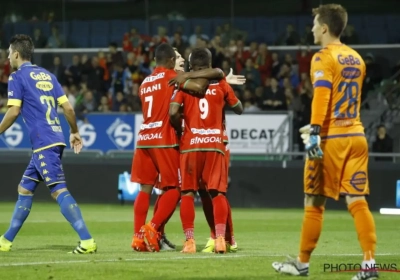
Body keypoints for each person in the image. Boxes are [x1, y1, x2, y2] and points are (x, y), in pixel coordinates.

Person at [272, 5, 377, 280]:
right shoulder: (356, 58)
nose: (312, 29)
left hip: (332, 138)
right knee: (357, 200)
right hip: (357, 135)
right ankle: (369, 264)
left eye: (315, 25)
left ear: (325, 28)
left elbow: (322, 95)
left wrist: (314, 132)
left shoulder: (322, 57)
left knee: (314, 200)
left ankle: (302, 264)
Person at [0, 34, 96, 254]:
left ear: (16, 53)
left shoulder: (17, 77)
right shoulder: (49, 76)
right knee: (24, 189)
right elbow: (69, 109)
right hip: (54, 138)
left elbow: (14, 111)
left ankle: (87, 240)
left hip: (44, 142)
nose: (7, 56)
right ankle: (5, 240)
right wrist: (74, 131)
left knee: (58, 190)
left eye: (8, 52)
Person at [131, 43, 227, 253]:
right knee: (175, 189)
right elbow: (200, 88)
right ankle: (153, 228)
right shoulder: (171, 78)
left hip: (144, 137)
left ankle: (138, 237)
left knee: (145, 189)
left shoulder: (145, 82)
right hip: (164, 139)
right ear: (171, 61)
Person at [169, 47, 243, 254]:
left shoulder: (183, 85)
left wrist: (181, 127)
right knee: (217, 193)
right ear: (209, 64)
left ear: (191, 65)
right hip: (215, 145)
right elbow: (239, 108)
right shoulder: (221, 83)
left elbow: (173, 111)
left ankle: (190, 242)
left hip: (191, 145)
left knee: (187, 193)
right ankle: (220, 239)